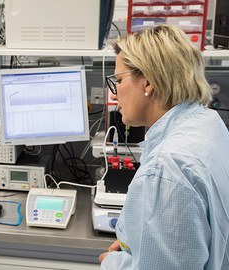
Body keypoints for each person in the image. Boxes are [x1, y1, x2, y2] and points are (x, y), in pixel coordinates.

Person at [98, 25, 229, 269]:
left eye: (117, 80)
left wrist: (116, 263)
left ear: (148, 82)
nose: (113, 94)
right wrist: (135, 245)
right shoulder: (208, 123)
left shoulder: (165, 169)